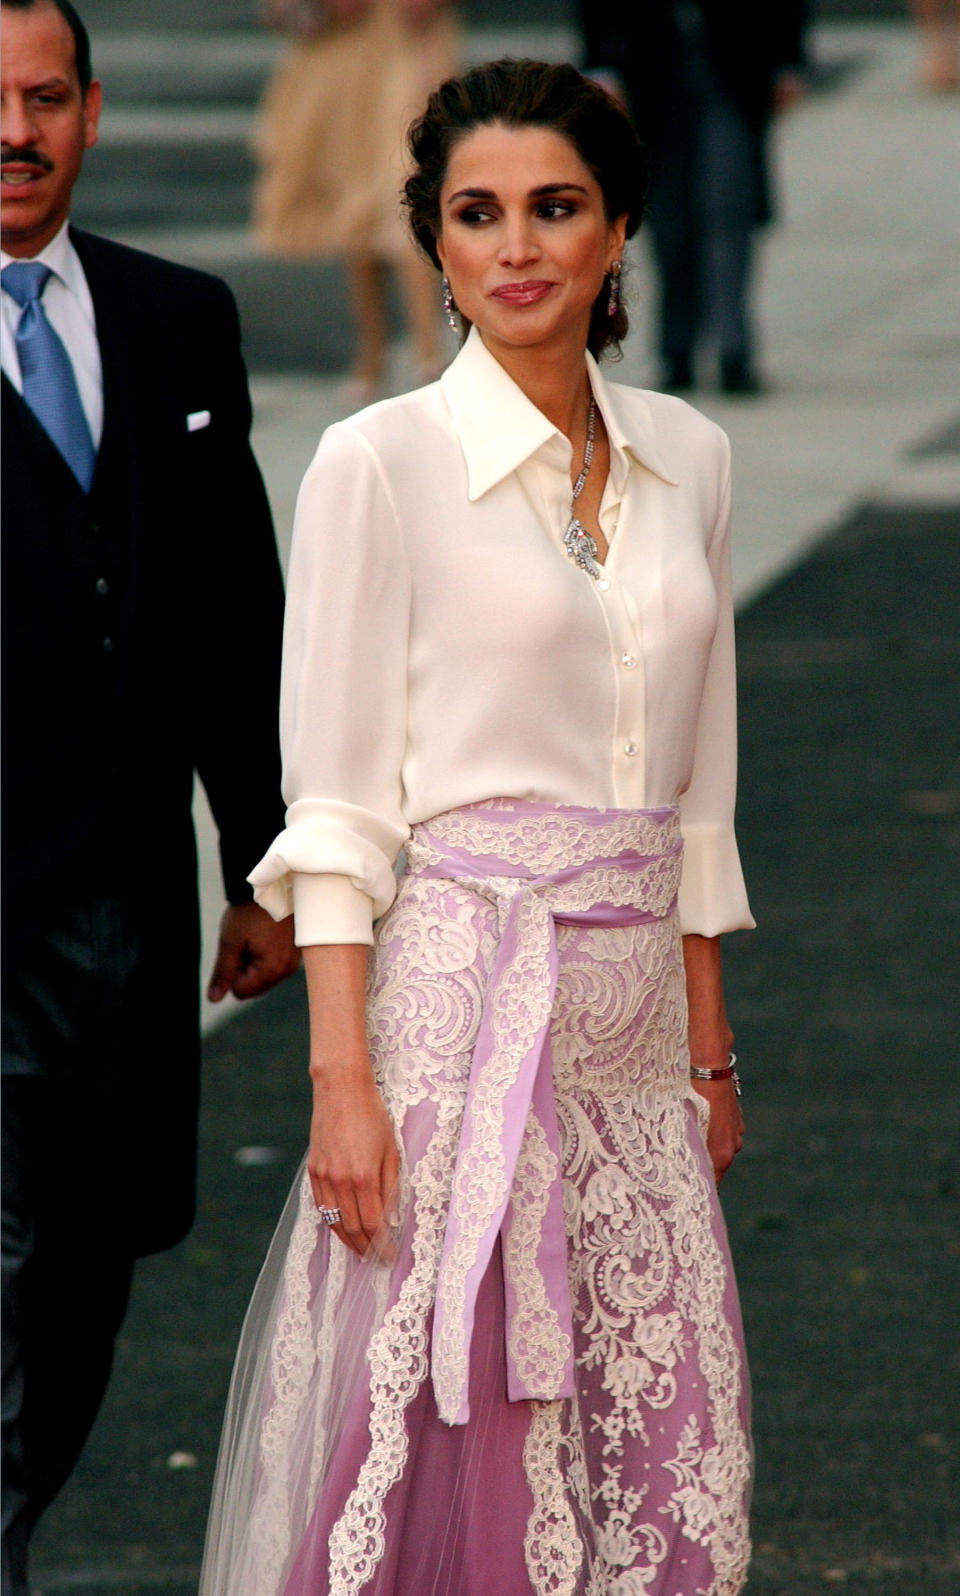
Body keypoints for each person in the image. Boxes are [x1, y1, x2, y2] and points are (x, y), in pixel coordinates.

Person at [200, 58, 754, 1596]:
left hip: (637, 1058)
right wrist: (341, 1088)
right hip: (456, 1040)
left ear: (620, 230)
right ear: (434, 244)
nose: (516, 247)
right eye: (476, 214)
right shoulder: (377, 465)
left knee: (653, 1479)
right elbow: (335, 807)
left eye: (554, 209)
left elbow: (700, 791)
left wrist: (710, 1055)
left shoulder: (692, 457)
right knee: (455, 1479)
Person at [0, 2, 300, 1589]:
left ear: (94, 111)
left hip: (131, 908)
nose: (15, 132)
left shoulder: (176, 318)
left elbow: (230, 613)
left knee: (88, 1281)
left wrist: (263, 863)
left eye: (45, 98)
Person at [581, 1, 808, 395]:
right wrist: (601, 60)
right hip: (650, 68)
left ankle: (733, 347)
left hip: (735, 66)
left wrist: (789, 58)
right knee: (669, 221)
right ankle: (677, 348)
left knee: (727, 209)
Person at [255, 0, 458, 405]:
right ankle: (374, 350)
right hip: (338, 54)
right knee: (354, 204)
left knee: (406, 181)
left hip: (403, 44)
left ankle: (428, 349)